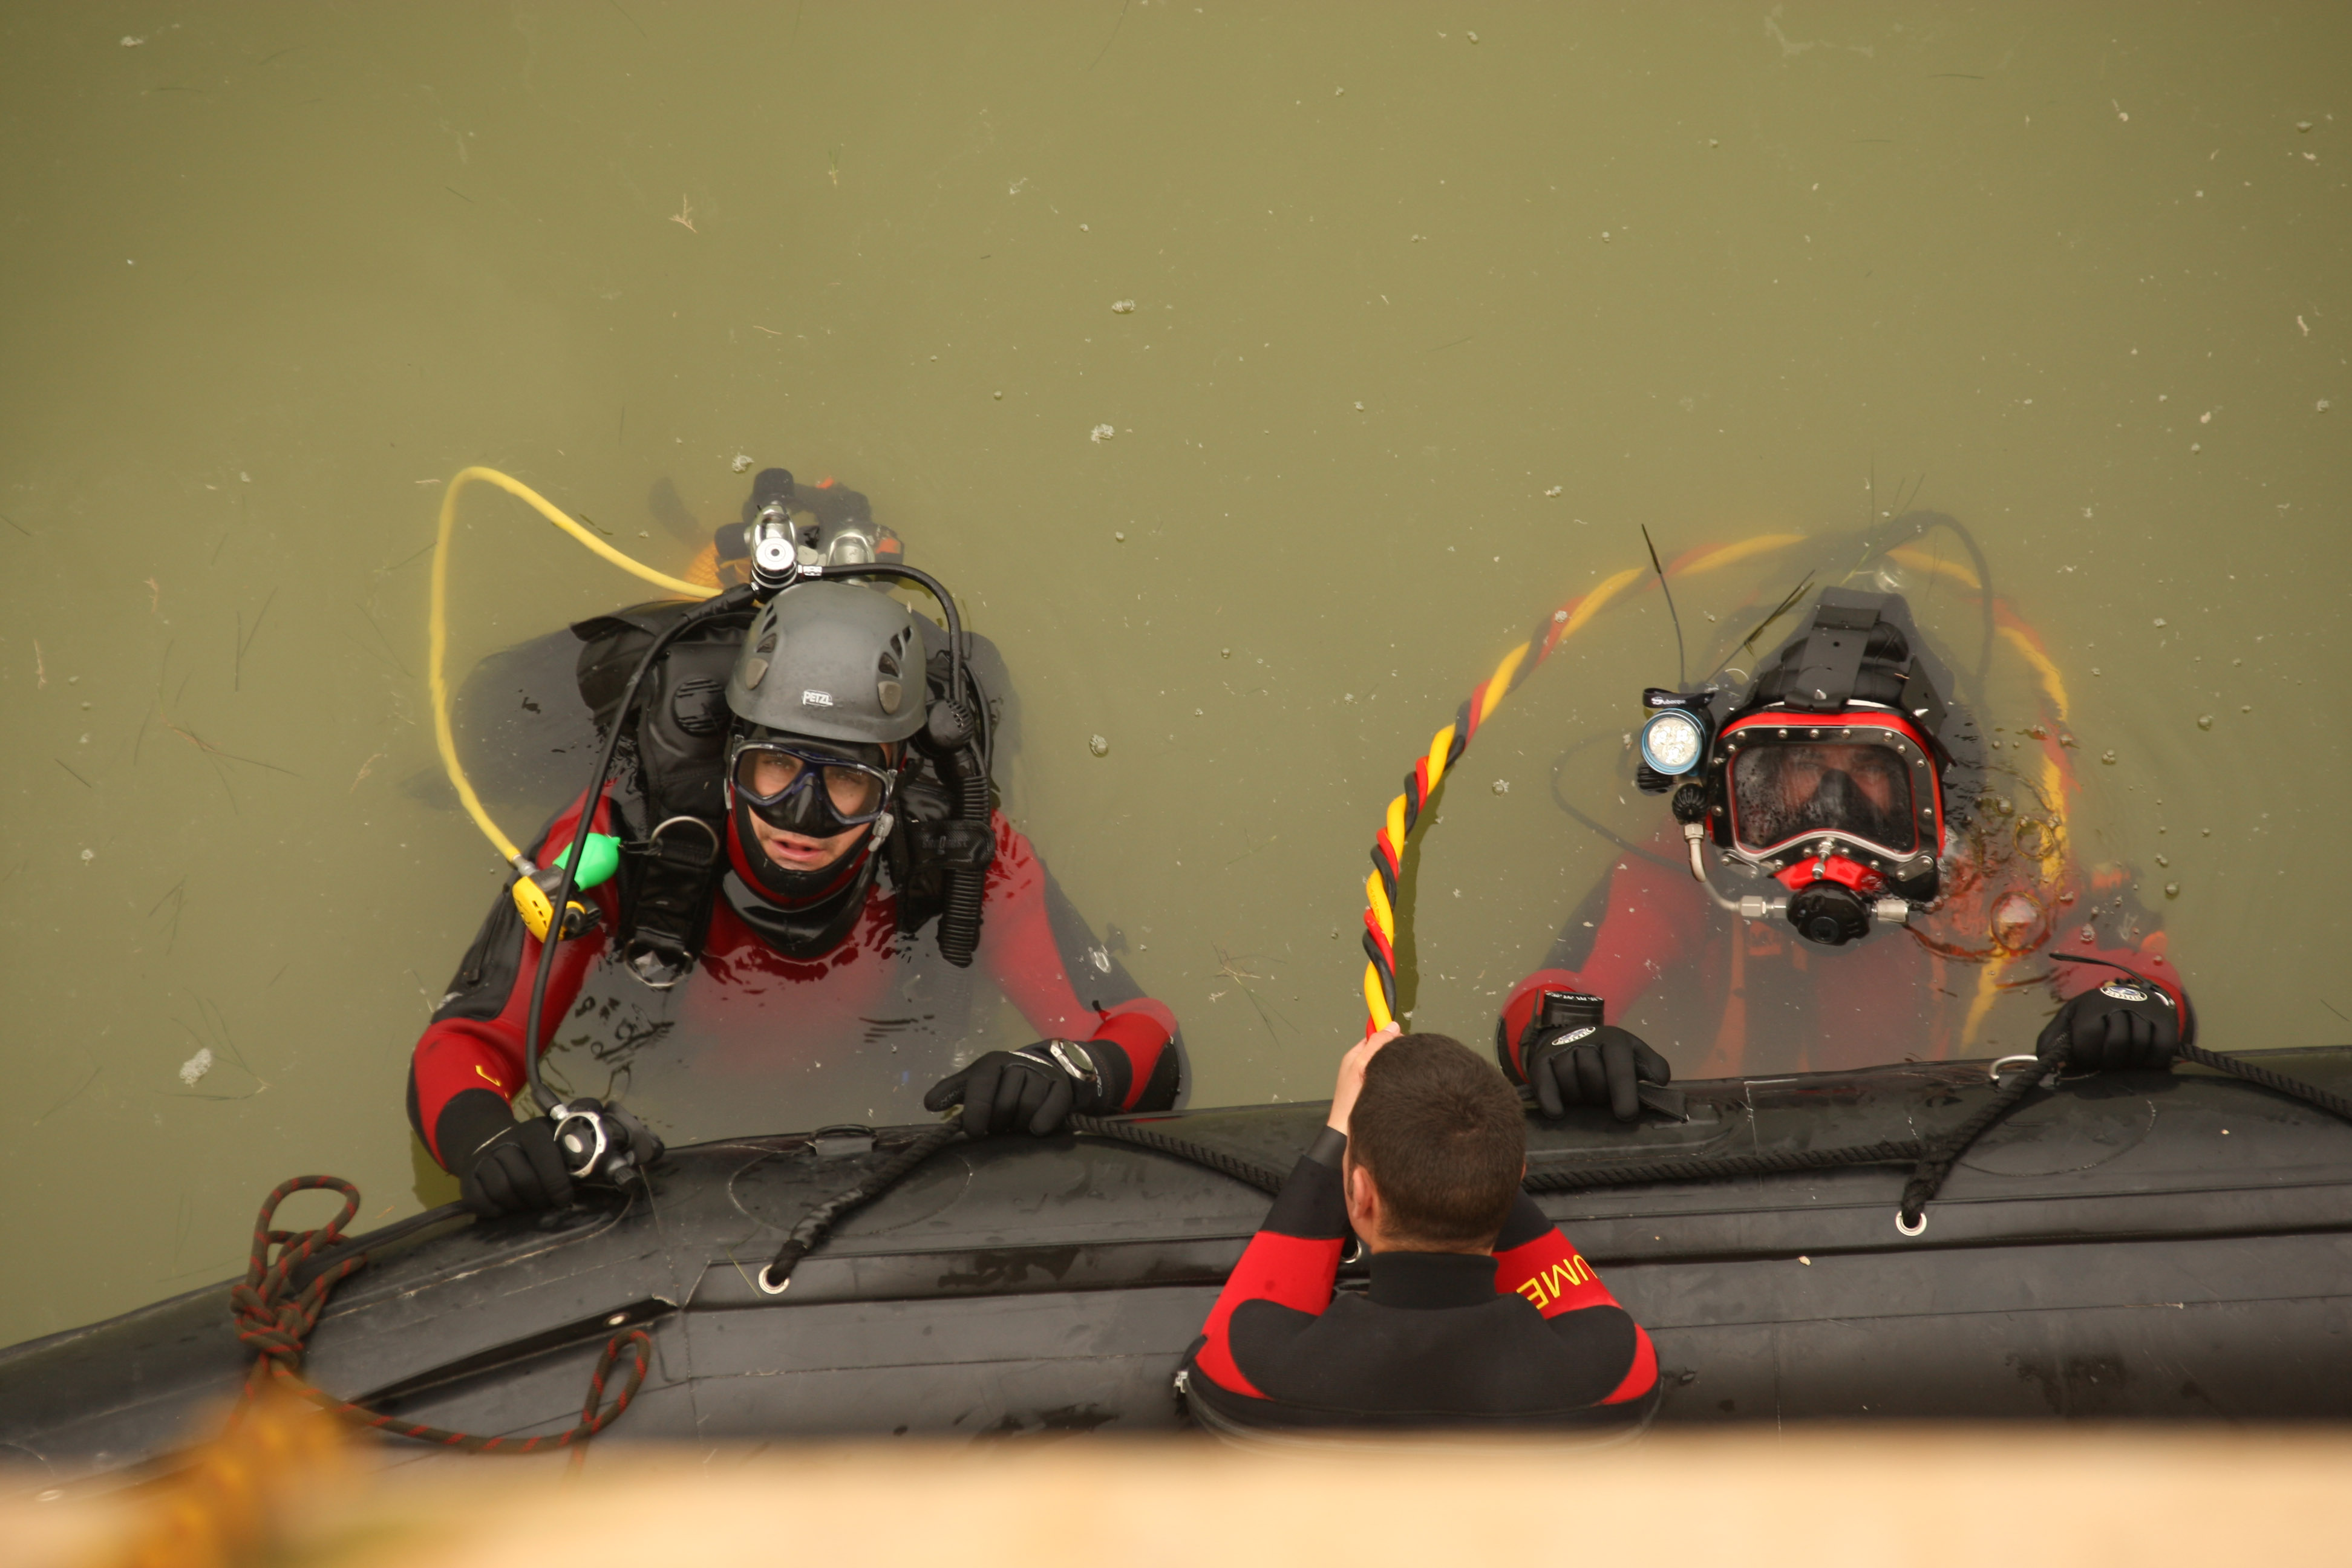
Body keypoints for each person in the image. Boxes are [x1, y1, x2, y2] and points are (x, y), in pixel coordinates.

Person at [410, 469, 1181, 1215]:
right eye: (774, 768)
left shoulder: (963, 849)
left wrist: (1070, 1069)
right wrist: (488, 1143)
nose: (801, 818)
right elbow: (464, 1044)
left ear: (894, 782)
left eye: (846, 782)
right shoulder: (620, 834)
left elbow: (1148, 1038)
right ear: (730, 759)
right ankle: (729, 569)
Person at [1498, 581, 2191, 1119]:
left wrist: (2129, 1007)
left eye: (1869, 770)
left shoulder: (1991, 872)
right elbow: (1560, 994)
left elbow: (2127, 968)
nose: (1831, 808)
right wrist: (1563, 1043)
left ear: (1932, 789)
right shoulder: (1696, 868)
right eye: (1804, 766)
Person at [1178, 1027, 1660, 1433]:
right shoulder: (1615, 1372)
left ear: (1361, 1194)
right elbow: (1583, 1305)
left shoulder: (1250, 1368)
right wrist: (1479, 1166)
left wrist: (1338, 1134)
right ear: (1516, 1180)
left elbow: (1225, 1333)